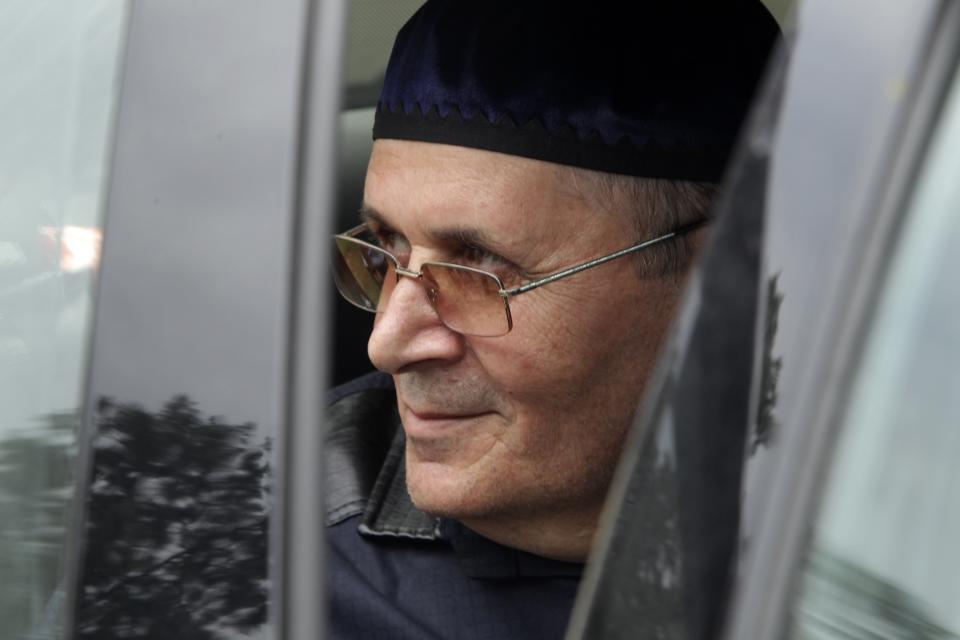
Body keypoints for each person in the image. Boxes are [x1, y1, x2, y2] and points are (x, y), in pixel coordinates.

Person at [326, 2, 779, 638]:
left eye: (480, 266)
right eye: (387, 253)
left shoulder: (879, 528)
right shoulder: (270, 563)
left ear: (719, 284)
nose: (387, 343)